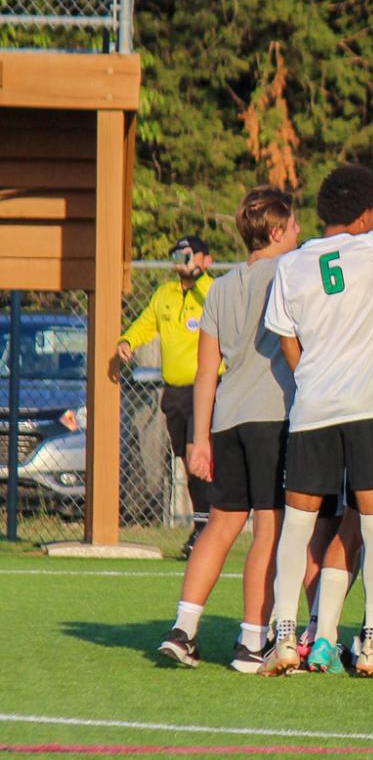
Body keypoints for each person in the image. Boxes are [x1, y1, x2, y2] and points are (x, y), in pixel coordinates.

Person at [261, 165, 373, 677]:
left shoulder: (292, 265)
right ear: (367, 214)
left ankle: (282, 640)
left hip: (313, 409)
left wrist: (312, 378)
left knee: (297, 528)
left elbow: (285, 336)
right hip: (367, 410)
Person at [157, 188, 298, 669]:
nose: (300, 234)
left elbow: (205, 369)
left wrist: (199, 438)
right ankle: (251, 640)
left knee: (220, 525)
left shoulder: (221, 286)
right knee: (269, 528)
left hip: (227, 416)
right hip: (272, 414)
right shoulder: (289, 273)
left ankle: (184, 628)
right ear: (277, 231)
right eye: (295, 226)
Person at [117, 232, 215, 556]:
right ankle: (202, 525)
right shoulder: (165, 294)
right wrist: (127, 341)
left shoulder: (212, 291)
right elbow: (146, 323)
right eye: (177, 254)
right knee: (188, 462)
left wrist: (199, 276)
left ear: (205, 259)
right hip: (174, 392)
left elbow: (216, 311)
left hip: (207, 390)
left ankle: (206, 529)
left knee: (199, 457)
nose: (181, 260)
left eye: (188, 254)